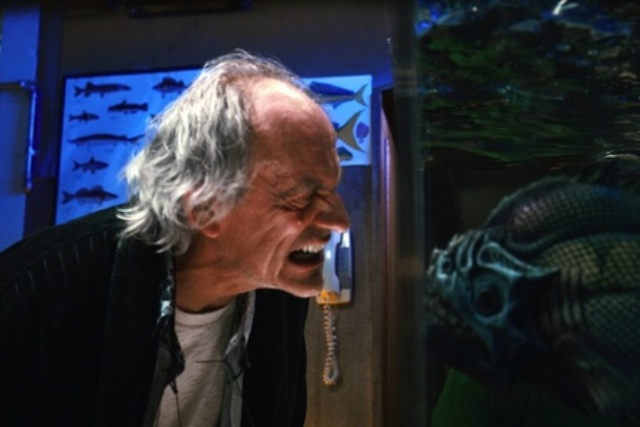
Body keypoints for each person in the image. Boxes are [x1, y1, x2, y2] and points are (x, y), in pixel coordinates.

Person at [0, 50, 350, 426]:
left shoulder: (278, 296)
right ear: (203, 207)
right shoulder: (32, 295)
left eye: (331, 189)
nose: (339, 221)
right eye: (301, 195)